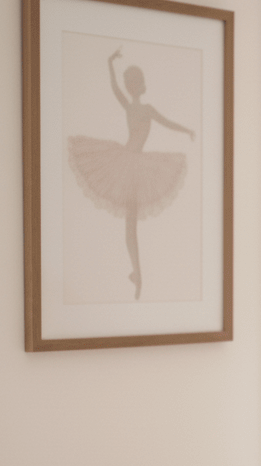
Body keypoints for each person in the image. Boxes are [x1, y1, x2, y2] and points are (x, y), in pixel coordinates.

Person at [67, 49, 196, 300]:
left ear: (138, 85)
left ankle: (138, 274)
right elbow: (114, 88)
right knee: (130, 226)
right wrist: (108, 63)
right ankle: (137, 274)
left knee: (130, 226)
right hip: (127, 162)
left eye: (132, 83)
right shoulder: (132, 107)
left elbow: (167, 122)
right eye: (129, 83)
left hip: (133, 166)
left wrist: (186, 129)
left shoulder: (143, 109)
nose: (129, 87)